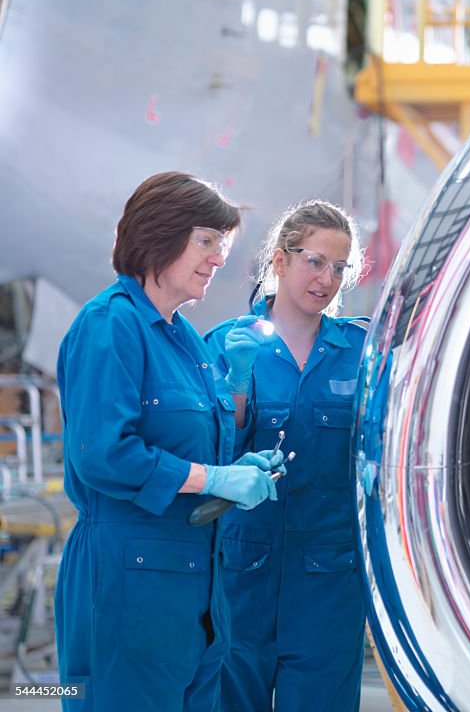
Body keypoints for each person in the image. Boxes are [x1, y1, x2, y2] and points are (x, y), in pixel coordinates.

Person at [55, 172, 284, 712]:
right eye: (207, 241)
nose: (219, 257)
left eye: (222, 245)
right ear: (158, 235)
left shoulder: (184, 338)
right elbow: (103, 455)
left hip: (195, 594)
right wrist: (214, 478)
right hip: (125, 587)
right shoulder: (110, 326)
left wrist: (239, 467)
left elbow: (193, 451)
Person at [205, 200, 368, 712]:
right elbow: (209, 455)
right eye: (314, 261)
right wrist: (235, 383)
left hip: (328, 577)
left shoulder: (363, 351)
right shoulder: (227, 343)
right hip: (241, 572)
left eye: (340, 268)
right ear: (280, 260)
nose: (326, 278)